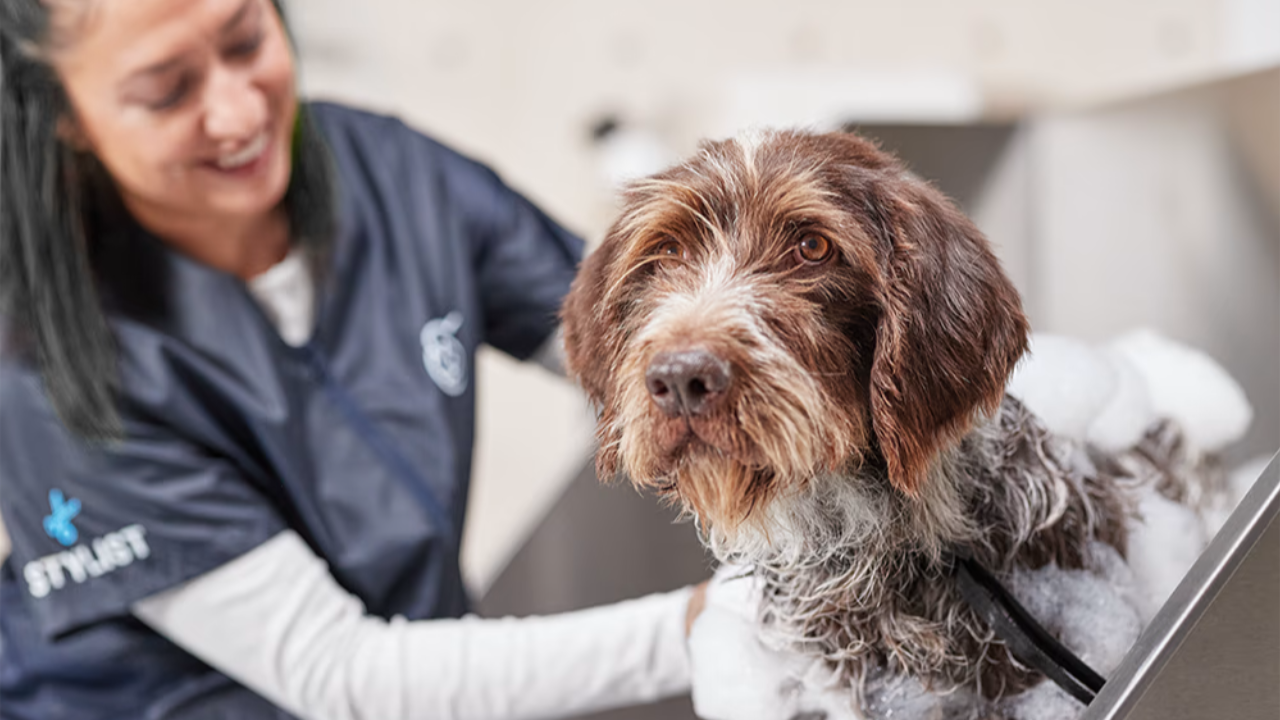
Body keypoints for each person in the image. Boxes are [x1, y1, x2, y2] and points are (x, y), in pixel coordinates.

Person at [0, 1, 705, 718]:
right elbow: (343, 675)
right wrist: (709, 630)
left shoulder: (396, 179)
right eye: (167, 92)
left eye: (246, 42)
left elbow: (631, 344)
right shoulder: (48, 375)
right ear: (64, 114)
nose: (240, 114)